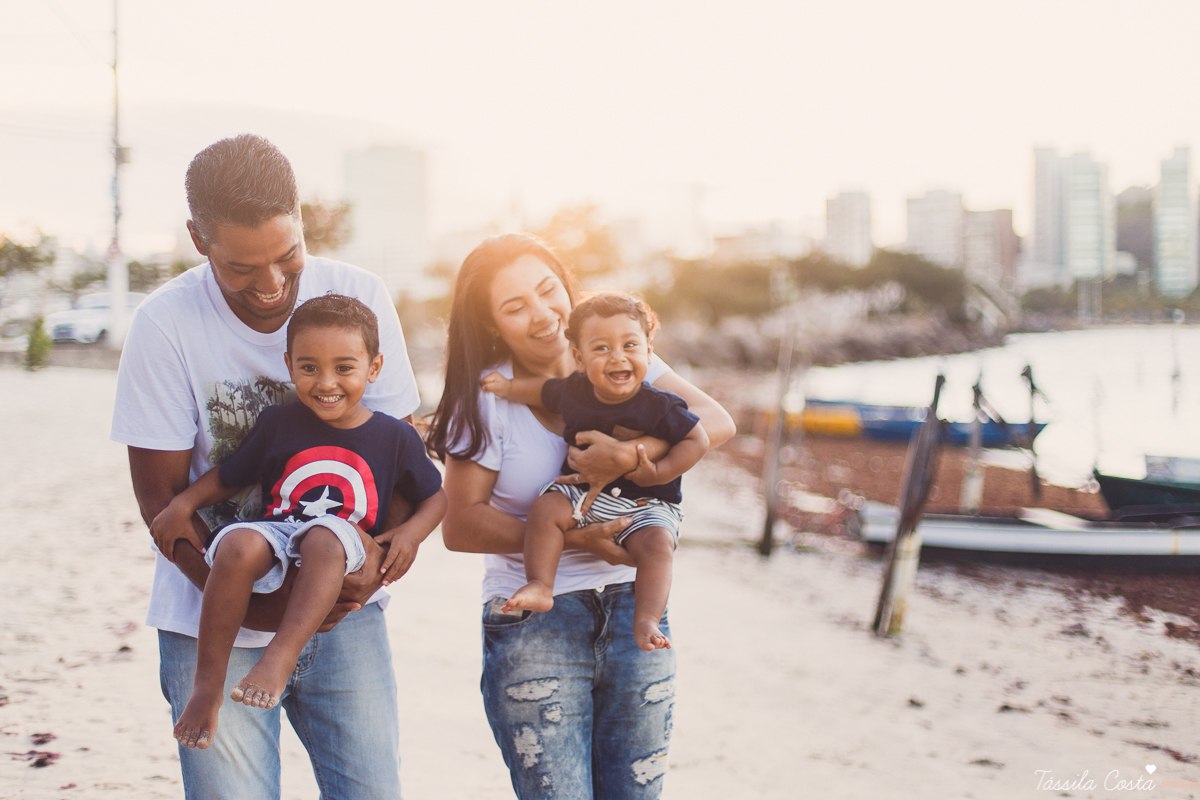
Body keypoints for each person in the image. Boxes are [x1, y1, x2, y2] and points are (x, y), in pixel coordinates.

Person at [111, 134, 424, 798]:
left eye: (288, 257)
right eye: (241, 268)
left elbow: (403, 459)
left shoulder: (358, 297)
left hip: (346, 614)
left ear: (302, 219)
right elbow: (163, 503)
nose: (271, 286)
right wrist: (260, 607)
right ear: (200, 240)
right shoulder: (164, 326)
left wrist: (363, 577)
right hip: (213, 617)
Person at [427, 234, 736, 799]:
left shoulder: (617, 354)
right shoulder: (488, 397)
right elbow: (461, 525)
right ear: (493, 325)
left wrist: (632, 455)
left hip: (634, 612)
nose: (543, 315)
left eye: (549, 293)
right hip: (535, 626)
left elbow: (714, 421)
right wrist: (577, 539)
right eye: (515, 307)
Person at [151, 294, 446, 750]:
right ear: (289, 365)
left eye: (344, 368)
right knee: (236, 546)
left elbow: (436, 497)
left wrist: (410, 534)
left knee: (326, 537)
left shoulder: (395, 436)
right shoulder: (278, 423)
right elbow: (230, 477)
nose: (326, 383)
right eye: (309, 368)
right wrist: (182, 505)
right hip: (281, 530)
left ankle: (278, 658)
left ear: (374, 366)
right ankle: (207, 689)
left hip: (342, 543)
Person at [480, 292, 707, 652]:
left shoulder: (661, 405)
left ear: (649, 351)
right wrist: (508, 388)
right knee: (545, 509)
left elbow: (697, 439)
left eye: (630, 345)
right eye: (601, 348)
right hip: (582, 494)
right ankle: (541, 584)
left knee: (657, 546)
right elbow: (542, 391)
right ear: (580, 359)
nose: (618, 356)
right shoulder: (574, 391)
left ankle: (647, 617)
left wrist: (659, 471)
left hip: (646, 505)